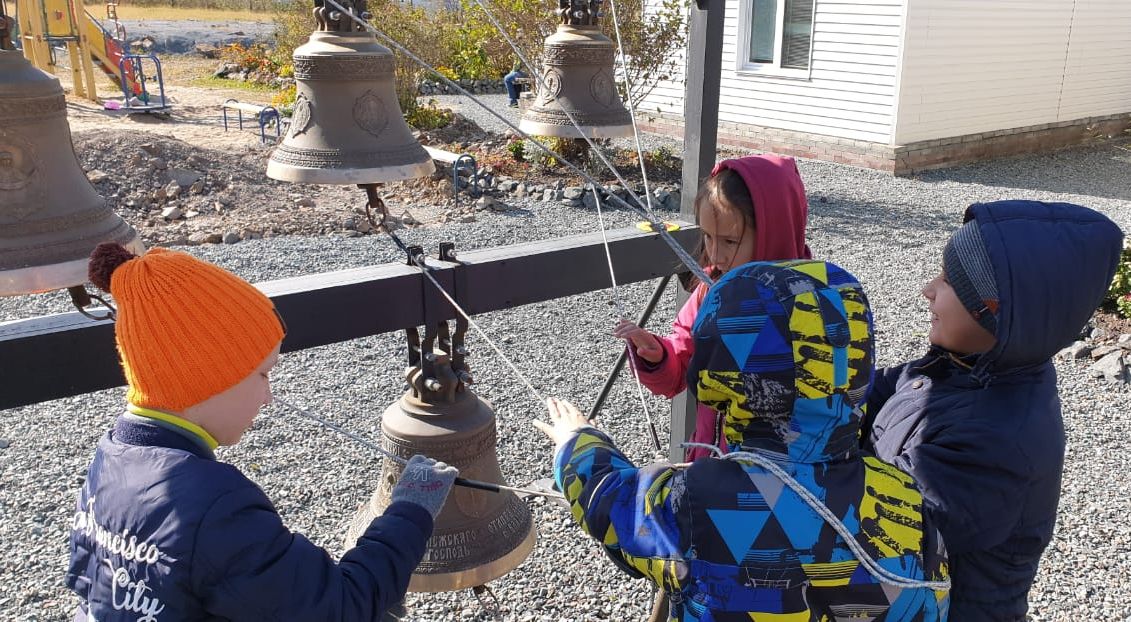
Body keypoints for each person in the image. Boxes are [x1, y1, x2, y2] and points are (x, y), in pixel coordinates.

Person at [66, 242, 459, 621]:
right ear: (208, 378)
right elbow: (340, 609)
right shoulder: (213, 505)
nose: (269, 397)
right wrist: (410, 511)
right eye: (262, 374)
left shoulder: (111, 458)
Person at [539, 260, 951, 621]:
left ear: (722, 370)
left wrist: (577, 440)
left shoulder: (700, 502)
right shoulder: (901, 493)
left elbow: (611, 502)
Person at [861, 200, 1124, 621]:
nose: (927, 288)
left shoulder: (1002, 438)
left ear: (994, 311)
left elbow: (887, 525)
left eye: (948, 282)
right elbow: (881, 388)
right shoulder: (959, 364)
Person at [614, 155, 810, 461]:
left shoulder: (811, 303)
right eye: (707, 236)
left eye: (730, 241)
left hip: (778, 470)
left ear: (776, 230)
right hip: (711, 460)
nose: (715, 254)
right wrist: (657, 355)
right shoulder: (710, 291)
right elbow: (680, 368)